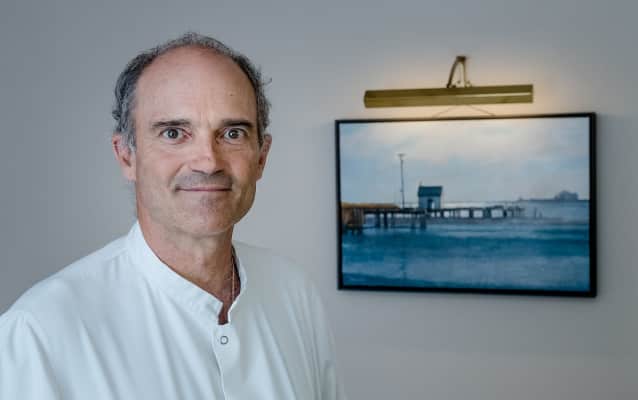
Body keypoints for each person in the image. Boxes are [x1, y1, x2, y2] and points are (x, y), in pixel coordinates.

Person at [0, 32, 345, 399]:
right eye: (173, 133)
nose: (208, 162)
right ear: (126, 156)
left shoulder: (294, 292)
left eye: (232, 133)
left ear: (261, 157)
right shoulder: (40, 333)